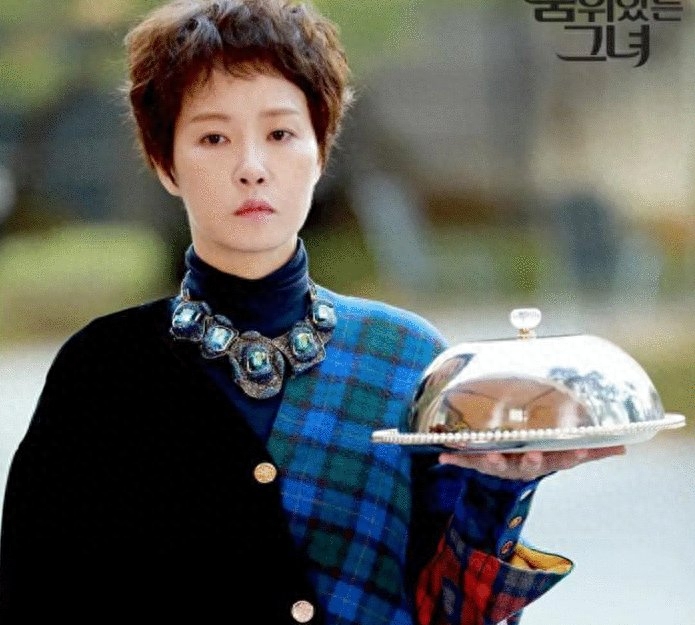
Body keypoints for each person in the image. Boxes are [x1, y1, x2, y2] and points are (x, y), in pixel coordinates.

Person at [0, 1, 625, 623]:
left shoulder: (406, 360)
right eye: (213, 138)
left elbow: (453, 610)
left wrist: (502, 489)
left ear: (321, 151)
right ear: (165, 162)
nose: (251, 168)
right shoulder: (102, 370)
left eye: (280, 134)